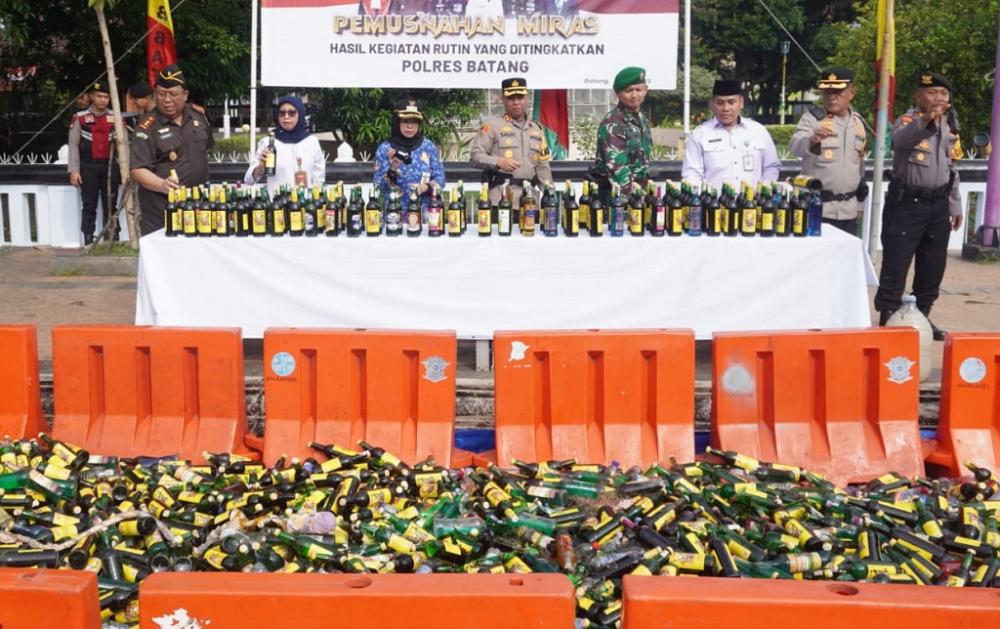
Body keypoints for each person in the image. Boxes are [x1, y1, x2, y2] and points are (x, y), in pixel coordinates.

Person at [874, 71, 963, 340]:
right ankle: (888, 319)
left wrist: (955, 204)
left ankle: (921, 318)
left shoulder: (949, 127)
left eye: (943, 94)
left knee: (932, 269)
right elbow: (899, 141)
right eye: (932, 92)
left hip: (938, 206)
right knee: (896, 266)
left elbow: (952, 168)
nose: (938, 98)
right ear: (919, 96)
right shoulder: (908, 121)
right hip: (907, 205)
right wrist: (926, 119)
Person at [130, 64, 214, 235]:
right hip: (163, 211)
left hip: (197, 206)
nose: (167, 100)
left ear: (185, 95)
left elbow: (206, 147)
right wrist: (162, 184)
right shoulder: (147, 127)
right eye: (161, 94)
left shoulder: (198, 116)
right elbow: (138, 169)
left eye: (173, 94)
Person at [789, 68, 868, 236]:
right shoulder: (812, 118)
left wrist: (860, 204)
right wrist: (811, 140)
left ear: (851, 93)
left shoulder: (858, 122)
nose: (832, 97)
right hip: (817, 208)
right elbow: (795, 145)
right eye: (827, 92)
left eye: (838, 92)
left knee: (845, 260)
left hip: (849, 210)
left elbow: (859, 164)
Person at [682, 80, 781, 191]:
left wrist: (763, 192)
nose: (726, 108)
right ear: (713, 104)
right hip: (714, 205)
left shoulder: (758, 131)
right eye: (720, 103)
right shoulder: (699, 135)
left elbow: (771, 167)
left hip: (751, 205)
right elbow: (692, 173)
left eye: (731, 102)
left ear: (741, 102)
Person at [470, 77, 552, 207]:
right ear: (503, 99)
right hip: (501, 199)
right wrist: (498, 162)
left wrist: (550, 195)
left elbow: (543, 167)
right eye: (511, 98)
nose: (516, 102)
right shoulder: (492, 126)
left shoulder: (537, 129)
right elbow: (475, 156)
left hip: (530, 202)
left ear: (527, 98)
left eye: (520, 97)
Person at [590, 66, 652, 202]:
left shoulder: (642, 119)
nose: (634, 95)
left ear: (645, 90)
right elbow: (618, 169)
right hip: (616, 197)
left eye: (638, 90)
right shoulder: (613, 123)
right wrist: (636, 198)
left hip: (638, 193)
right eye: (628, 91)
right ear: (618, 94)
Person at [68, 81, 119, 245]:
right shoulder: (80, 118)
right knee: (89, 204)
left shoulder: (116, 117)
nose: (103, 100)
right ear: (91, 96)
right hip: (88, 167)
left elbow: (125, 145)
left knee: (111, 204)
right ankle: (89, 240)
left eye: (106, 97)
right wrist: (74, 171)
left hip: (110, 166)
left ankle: (111, 239)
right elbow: (73, 146)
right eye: (99, 96)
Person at [373, 99, 446, 212]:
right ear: (397, 122)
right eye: (405, 121)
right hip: (394, 215)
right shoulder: (385, 148)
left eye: (414, 121)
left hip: (425, 214)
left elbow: (440, 179)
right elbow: (378, 187)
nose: (410, 126)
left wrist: (425, 187)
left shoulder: (428, 147)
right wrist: (393, 169)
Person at [245, 96, 326, 194]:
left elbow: (319, 180)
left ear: (300, 114)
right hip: (277, 206)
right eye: (282, 113)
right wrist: (261, 166)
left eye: (291, 113)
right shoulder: (268, 142)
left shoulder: (312, 142)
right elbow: (249, 180)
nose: (286, 117)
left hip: (305, 205)